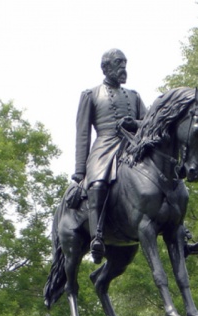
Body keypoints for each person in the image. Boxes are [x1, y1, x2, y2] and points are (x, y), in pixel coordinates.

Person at [72, 49, 147, 264]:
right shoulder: (91, 95)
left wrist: (136, 124)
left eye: (125, 63)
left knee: (160, 177)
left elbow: (150, 124)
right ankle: (97, 237)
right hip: (104, 146)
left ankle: (181, 231)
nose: (123, 68)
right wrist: (80, 170)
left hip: (131, 146)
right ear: (106, 68)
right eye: (118, 64)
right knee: (97, 185)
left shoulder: (134, 96)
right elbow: (83, 134)